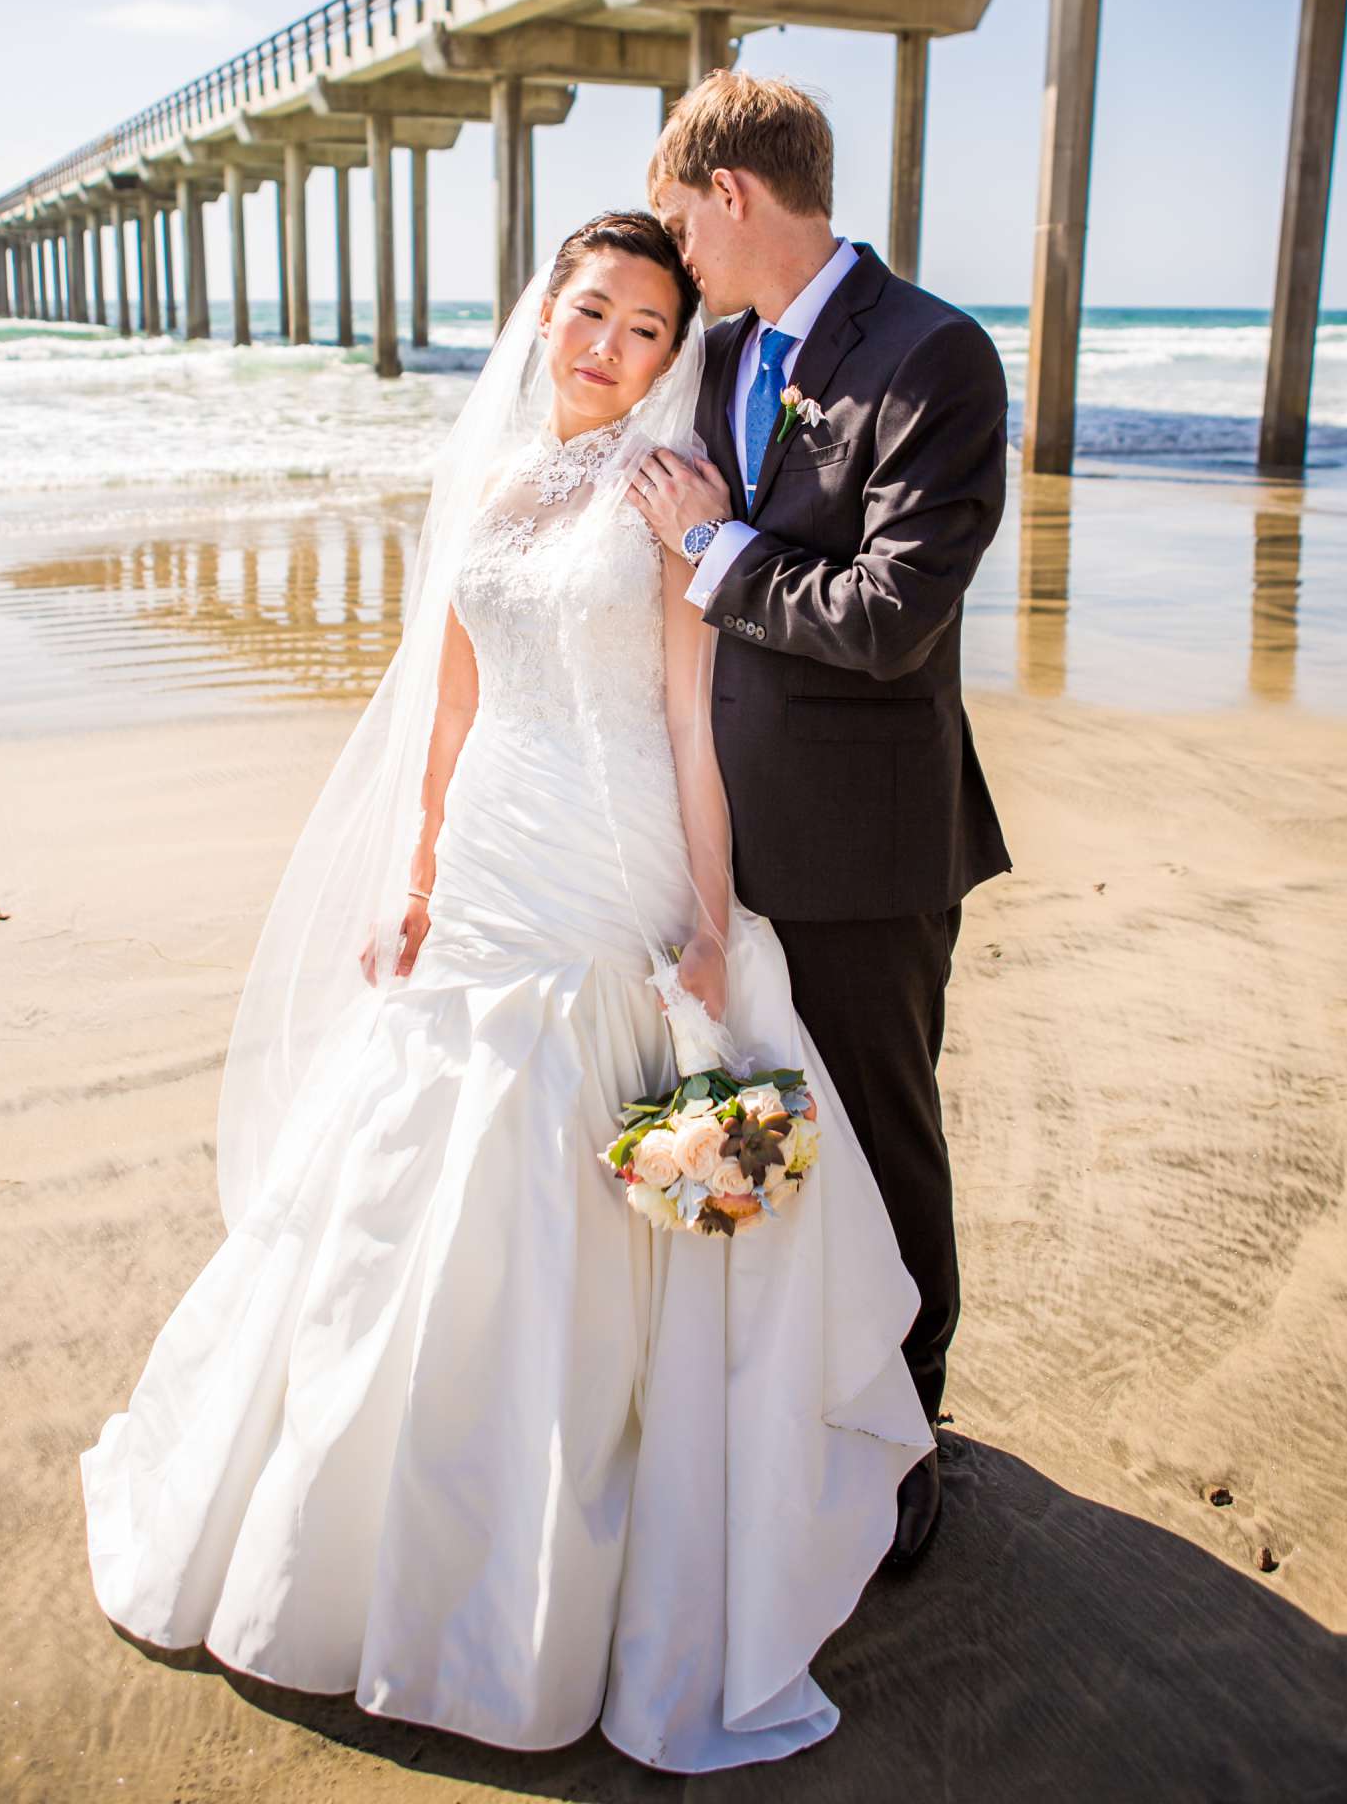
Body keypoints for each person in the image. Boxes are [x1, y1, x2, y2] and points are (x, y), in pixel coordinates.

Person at [80, 208, 934, 1775]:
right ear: (546, 310)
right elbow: (451, 708)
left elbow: (690, 718)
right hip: (487, 866)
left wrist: (709, 916)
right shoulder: (484, 482)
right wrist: (415, 882)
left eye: (650, 332)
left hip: (612, 862)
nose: (613, 350)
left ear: (677, 357)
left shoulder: (673, 489)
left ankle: (564, 1558)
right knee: (403, 1182)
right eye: (594, 313)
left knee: (585, 1189)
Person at [630, 70, 1011, 1570]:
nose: (676, 253)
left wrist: (717, 548)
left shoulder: (937, 359)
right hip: (709, 833)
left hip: (863, 847)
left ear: (733, 195)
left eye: (681, 218)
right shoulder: (710, 348)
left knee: (878, 1138)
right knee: (731, 1120)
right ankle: (770, 1402)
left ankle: (906, 1440)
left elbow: (890, 617)